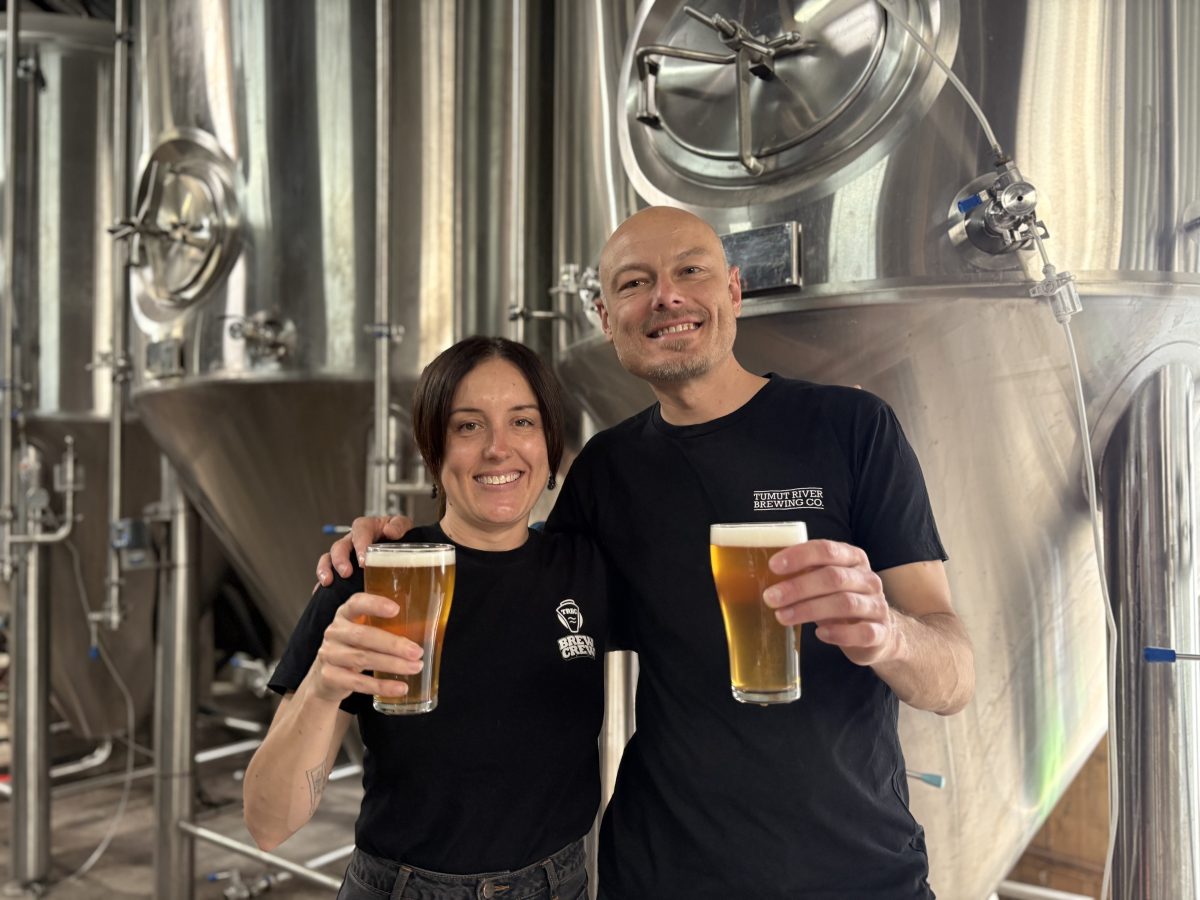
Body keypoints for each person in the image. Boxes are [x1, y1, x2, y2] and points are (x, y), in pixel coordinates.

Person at [318, 207, 976, 899]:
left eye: (691, 270)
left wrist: (889, 635)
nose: (666, 296)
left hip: (858, 872)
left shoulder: (850, 428)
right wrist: (399, 542)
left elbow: (954, 680)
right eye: (635, 282)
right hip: (663, 873)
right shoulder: (606, 471)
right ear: (607, 319)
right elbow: (513, 586)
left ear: (733, 291)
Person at [245, 337, 607, 900]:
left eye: (523, 421)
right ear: (432, 449)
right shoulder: (376, 573)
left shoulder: (586, 567)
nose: (498, 448)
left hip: (560, 884)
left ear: (550, 442)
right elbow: (269, 824)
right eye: (468, 426)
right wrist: (321, 685)